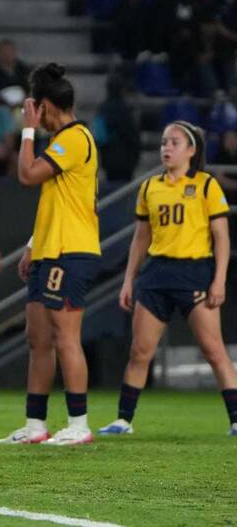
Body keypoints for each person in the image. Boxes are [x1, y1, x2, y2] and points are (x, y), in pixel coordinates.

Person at [99, 121, 237, 437]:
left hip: (195, 272)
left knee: (214, 350)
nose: (166, 148)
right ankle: (123, 420)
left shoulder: (205, 185)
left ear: (191, 150)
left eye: (174, 142)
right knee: (140, 351)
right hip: (157, 273)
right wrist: (128, 279)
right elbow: (140, 238)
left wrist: (219, 280)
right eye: (163, 142)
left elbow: (222, 237)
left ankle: (235, 418)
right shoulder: (150, 187)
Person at [0, 63, 101, 446]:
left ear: (44, 107)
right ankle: (36, 424)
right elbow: (56, 202)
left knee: (65, 336)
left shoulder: (73, 138)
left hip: (71, 251)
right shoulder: (64, 140)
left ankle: (78, 423)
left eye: (34, 110)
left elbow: (27, 174)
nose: (33, 117)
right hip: (49, 249)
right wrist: (31, 246)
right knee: (38, 337)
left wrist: (26, 129)